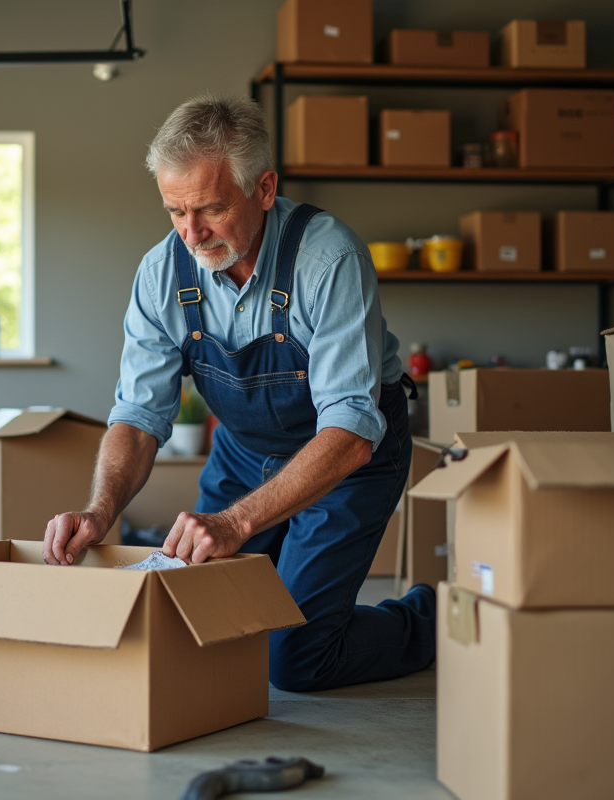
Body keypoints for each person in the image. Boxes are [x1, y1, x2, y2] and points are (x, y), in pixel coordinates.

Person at [42, 95, 434, 692]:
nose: (192, 234)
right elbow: (139, 414)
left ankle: (428, 620)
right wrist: (101, 511)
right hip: (246, 454)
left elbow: (351, 430)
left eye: (211, 209)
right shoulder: (161, 273)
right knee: (207, 629)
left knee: (296, 661)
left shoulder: (329, 259)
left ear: (265, 188)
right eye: (175, 211)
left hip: (347, 458)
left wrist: (235, 523)